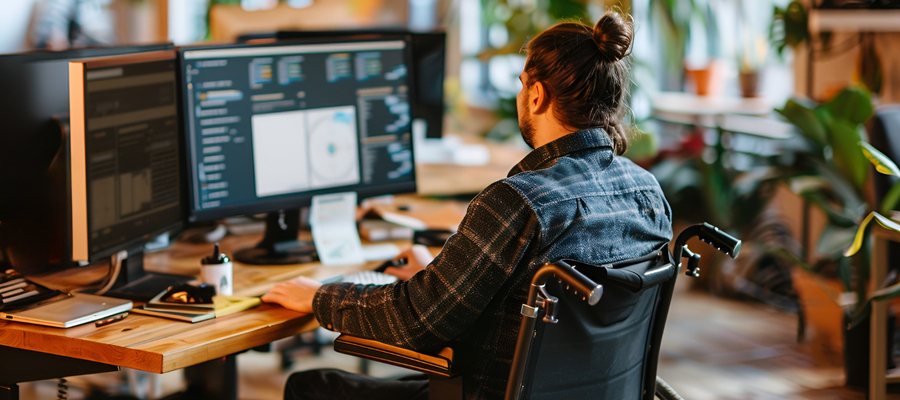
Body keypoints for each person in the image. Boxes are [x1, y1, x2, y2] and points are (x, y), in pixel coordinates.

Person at [262, 9, 672, 400]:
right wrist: (438, 275)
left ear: (537, 96)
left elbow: (414, 322)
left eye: (521, 83)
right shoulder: (649, 193)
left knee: (310, 387)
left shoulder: (519, 201)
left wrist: (320, 297)